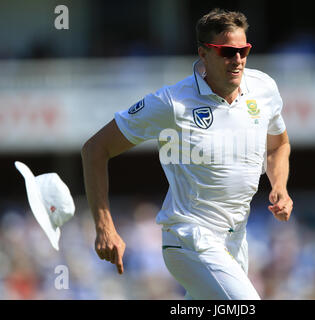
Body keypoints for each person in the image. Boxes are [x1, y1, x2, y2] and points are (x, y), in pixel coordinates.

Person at [81, 8, 293, 300]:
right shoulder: (171, 102)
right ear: (204, 53)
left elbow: (278, 145)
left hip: (236, 242)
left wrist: (279, 186)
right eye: (227, 52)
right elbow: (95, 148)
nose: (238, 60)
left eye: (244, 50)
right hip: (190, 238)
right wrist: (105, 227)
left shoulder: (264, 87)